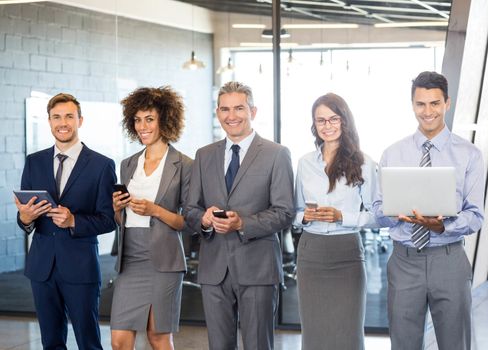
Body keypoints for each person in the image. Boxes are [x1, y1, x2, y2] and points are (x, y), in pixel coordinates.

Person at [372, 71, 485, 350]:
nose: (428, 111)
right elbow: (377, 209)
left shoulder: (469, 154)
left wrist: (442, 226)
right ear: (412, 105)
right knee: (404, 344)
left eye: (434, 103)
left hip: (449, 260)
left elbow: (475, 214)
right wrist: (394, 213)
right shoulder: (392, 153)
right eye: (420, 104)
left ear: (447, 103)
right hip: (404, 260)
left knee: (454, 343)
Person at [185, 81, 294, 350]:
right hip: (214, 269)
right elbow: (189, 210)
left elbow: (284, 212)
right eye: (224, 109)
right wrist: (204, 220)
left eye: (238, 108)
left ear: (253, 111)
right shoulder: (204, 155)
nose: (231, 116)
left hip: (258, 268)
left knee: (258, 344)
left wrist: (243, 223)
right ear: (217, 113)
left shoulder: (276, 154)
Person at [14, 93, 116, 350]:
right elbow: (27, 216)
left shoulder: (101, 165)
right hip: (42, 267)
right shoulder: (33, 162)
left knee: (89, 341)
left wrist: (73, 221)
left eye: (69, 116)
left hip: (80, 267)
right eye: (56, 117)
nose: (63, 122)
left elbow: (109, 220)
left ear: (80, 120)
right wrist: (24, 219)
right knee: (50, 342)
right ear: (48, 121)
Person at [110, 86, 192, 350]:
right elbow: (123, 221)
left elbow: (188, 222)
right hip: (130, 259)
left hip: (164, 260)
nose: (142, 126)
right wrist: (117, 209)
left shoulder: (185, 165)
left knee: (158, 337)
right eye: (137, 119)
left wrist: (155, 210)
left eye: (149, 119)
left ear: (165, 121)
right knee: (119, 340)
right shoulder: (127, 164)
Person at [293, 93, 378, 350]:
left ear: (344, 122)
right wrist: (304, 216)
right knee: (314, 334)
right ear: (314, 125)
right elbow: (294, 212)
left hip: (347, 252)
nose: (327, 126)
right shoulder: (305, 163)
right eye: (321, 121)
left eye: (333, 119)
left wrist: (343, 217)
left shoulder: (363, 163)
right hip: (311, 252)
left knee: (348, 334)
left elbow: (380, 215)